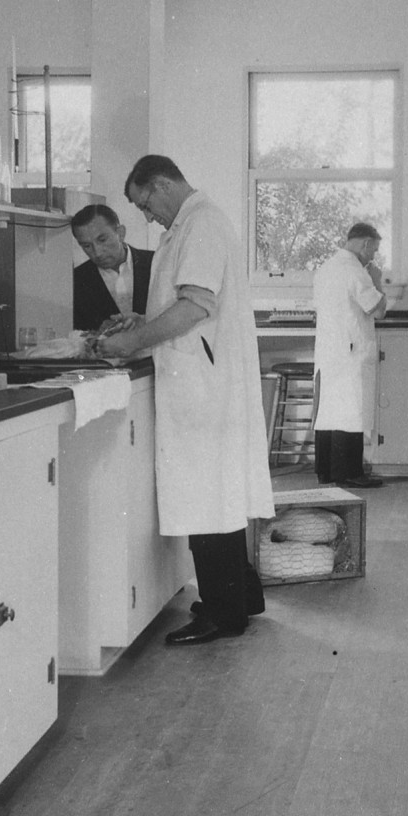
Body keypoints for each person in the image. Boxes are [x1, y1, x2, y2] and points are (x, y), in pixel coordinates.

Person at [97, 155, 275, 646]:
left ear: (161, 184)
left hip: (204, 386)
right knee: (214, 495)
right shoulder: (190, 225)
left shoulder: (202, 223)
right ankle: (241, 597)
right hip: (198, 379)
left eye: (144, 203)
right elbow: (179, 304)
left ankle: (225, 614)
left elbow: (196, 305)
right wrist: (144, 322)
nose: (146, 216)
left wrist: (134, 342)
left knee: (207, 497)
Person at [312, 222, 388, 488]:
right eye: (374, 249)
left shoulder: (326, 268)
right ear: (365, 243)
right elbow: (377, 309)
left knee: (328, 411)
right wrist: (378, 282)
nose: (373, 256)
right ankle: (351, 472)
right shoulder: (356, 271)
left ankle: (325, 471)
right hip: (351, 350)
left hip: (328, 350)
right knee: (352, 411)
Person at [70, 203, 154, 333]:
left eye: (102, 240)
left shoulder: (156, 262)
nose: (97, 252)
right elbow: (77, 335)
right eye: (87, 246)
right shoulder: (76, 281)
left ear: (120, 233)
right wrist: (97, 333)